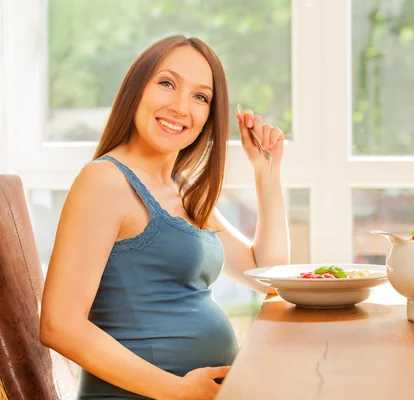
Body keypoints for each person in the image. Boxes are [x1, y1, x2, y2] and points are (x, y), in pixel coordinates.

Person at [39, 35, 290, 400]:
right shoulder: (105, 181)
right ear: (137, 88)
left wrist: (267, 173)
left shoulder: (184, 190)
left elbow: (268, 276)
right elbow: (59, 325)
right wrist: (178, 390)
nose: (180, 107)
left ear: (209, 117)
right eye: (167, 83)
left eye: (200, 97)